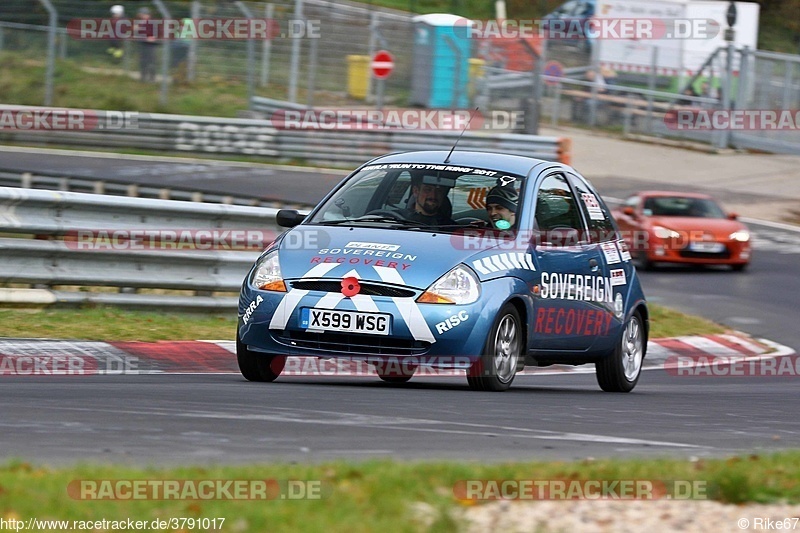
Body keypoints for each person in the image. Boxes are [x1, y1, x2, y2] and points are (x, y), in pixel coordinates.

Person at [137, 7, 158, 82]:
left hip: (150, 45)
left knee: (151, 62)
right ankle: (143, 78)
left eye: (143, 15)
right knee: (143, 62)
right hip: (143, 44)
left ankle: (152, 78)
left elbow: (154, 34)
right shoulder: (141, 23)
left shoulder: (152, 22)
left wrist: (152, 37)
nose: (142, 16)